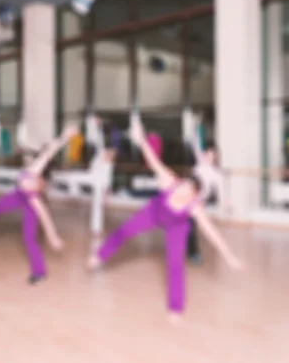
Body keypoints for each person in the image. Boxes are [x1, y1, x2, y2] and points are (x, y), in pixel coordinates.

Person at [88, 118, 244, 323]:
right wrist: (141, 139)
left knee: (175, 264)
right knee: (126, 230)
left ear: (193, 196)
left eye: (187, 192)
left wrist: (229, 256)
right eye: (182, 187)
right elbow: (153, 160)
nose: (181, 192)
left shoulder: (195, 207)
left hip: (177, 225)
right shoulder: (170, 180)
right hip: (155, 210)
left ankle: (176, 308)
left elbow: (212, 233)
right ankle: (100, 256)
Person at [0, 124, 78, 284]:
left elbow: (45, 218)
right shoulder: (33, 170)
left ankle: (39, 272)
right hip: (18, 195)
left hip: (26, 201)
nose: (31, 184)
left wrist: (53, 237)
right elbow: (50, 151)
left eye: (34, 186)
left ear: (38, 187)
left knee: (29, 239)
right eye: (33, 183)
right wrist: (65, 136)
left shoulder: (34, 199)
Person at [187, 115, 231, 265]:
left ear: (215, 158)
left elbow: (221, 191)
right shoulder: (200, 161)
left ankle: (194, 253)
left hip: (198, 201)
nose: (208, 157)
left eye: (212, 156)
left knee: (191, 227)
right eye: (207, 154)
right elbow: (195, 142)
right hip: (187, 195)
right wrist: (196, 126)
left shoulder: (217, 175)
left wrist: (226, 204)